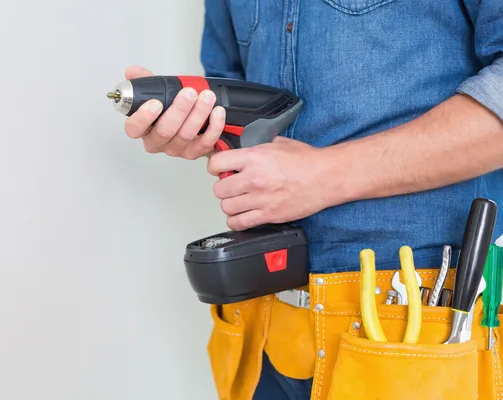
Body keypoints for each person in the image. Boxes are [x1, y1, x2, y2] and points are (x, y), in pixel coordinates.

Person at [122, 1, 503, 399]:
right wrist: (191, 126)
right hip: (264, 324)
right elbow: (233, 95)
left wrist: (327, 175)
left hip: (414, 330)